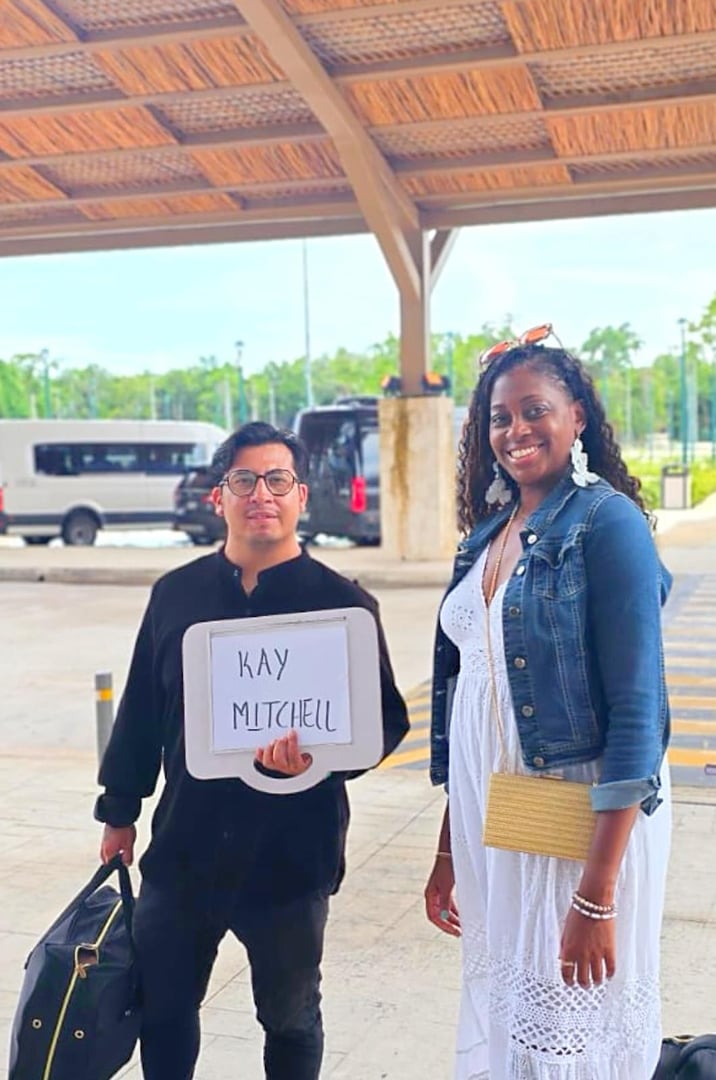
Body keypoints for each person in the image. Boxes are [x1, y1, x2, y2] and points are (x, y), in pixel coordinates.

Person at [96, 421, 408, 1080]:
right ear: (220, 496)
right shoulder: (175, 595)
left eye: (277, 479)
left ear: (300, 497)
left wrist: (323, 758)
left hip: (291, 858)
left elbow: (383, 722)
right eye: (243, 479)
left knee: (291, 1018)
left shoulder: (342, 604)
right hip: (185, 847)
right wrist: (119, 809)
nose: (260, 493)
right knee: (164, 1008)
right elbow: (143, 711)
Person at [424, 326, 672, 1079]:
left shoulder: (608, 523)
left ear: (577, 418)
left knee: (572, 1030)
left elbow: (639, 715)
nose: (515, 430)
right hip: (497, 818)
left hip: (579, 823)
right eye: (499, 417)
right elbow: (480, 697)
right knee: (515, 1025)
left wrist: (597, 898)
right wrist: (446, 850)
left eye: (535, 410)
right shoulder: (489, 536)